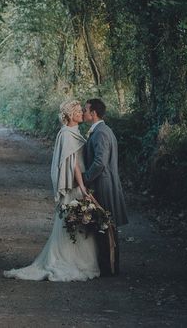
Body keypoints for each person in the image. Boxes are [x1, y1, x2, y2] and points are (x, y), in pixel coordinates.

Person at [4, 99, 100, 282]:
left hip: (80, 184)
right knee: (72, 222)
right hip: (74, 185)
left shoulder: (74, 132)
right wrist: (82, 186)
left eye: (82, 111)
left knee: (79, 223)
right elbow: (73, 166)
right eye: (79, 111)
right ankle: (67, 260)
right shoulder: (66, 134)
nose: (82, 114)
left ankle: (79, 259)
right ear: (71, 114)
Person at [82, 98, 128, 275]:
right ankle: (109, 266)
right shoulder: (102, 130)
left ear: (93, 113)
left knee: (106, 226)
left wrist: (85, 178)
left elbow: (100, 162)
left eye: (86, 110)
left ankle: (109, 268)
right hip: (105, 183)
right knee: (105, 225)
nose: (84, 113)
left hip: (103, 185)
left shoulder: (101, 133)